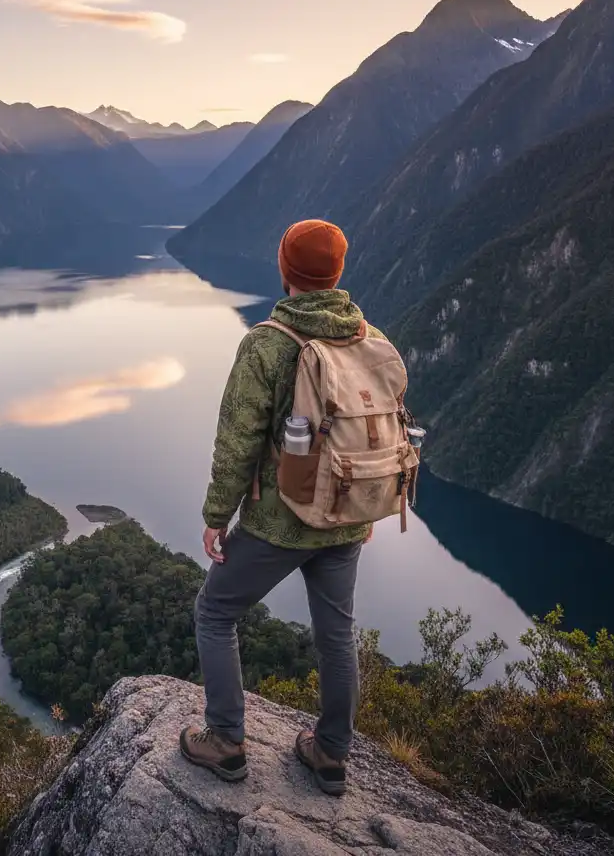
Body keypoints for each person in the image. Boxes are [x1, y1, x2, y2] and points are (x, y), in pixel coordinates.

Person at [180, 218, 382, 797]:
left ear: (285, 270)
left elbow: (238, 440)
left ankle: (225, 741)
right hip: (345, 516)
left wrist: (217, 516)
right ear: (337, 273)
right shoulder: (365, 336)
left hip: (279, 521)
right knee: (337, 635)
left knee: (215, 613)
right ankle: (331, 755)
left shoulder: (267, 344)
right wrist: (364, 505)